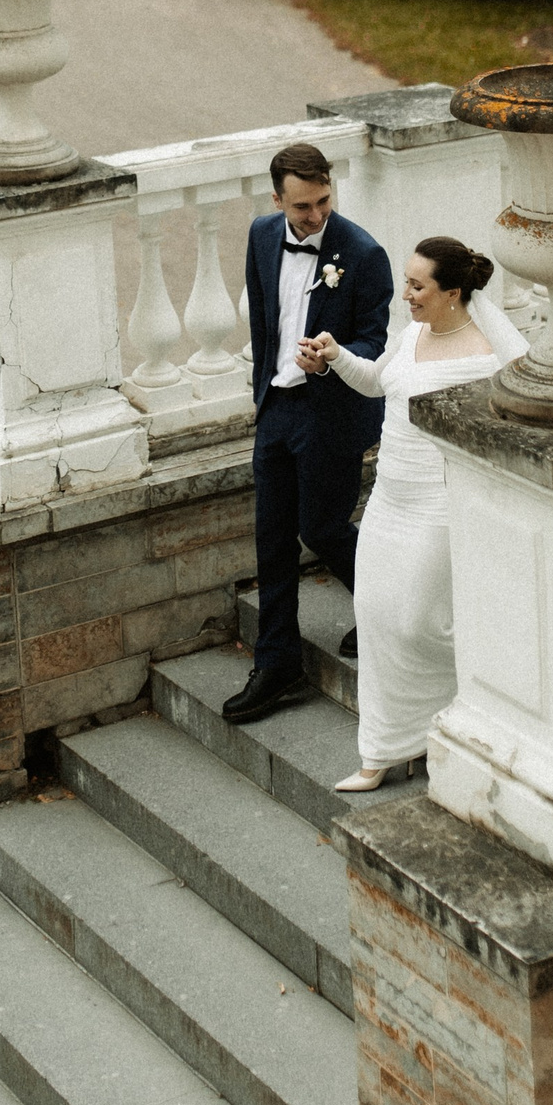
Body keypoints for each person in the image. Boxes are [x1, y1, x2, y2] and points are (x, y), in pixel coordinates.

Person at [304, 235, 522, 791]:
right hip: (389, 498)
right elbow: (377, 382)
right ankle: (380, 752)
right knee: (375, 612)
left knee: (419, 621)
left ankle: (476, 703)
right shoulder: (413, 334)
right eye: (407, 282)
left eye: (417, 286)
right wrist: (335, 357)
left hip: (439, 504)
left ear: (452, 293)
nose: (406, 294)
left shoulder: (487, 354)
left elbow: (513, 419)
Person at [223, 142, 393, 724]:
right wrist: (264, 394)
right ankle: (277, 662)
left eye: (323, 201)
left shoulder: (364, 253)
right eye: (302, 206)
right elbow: (263, 319)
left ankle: (387, 612)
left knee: (321, 527)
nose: (316, 215)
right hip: (277, 407)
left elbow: (374, 340)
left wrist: (331, 356)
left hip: (331, 411)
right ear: (277, 200)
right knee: (271, 538)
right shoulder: (261, 235)